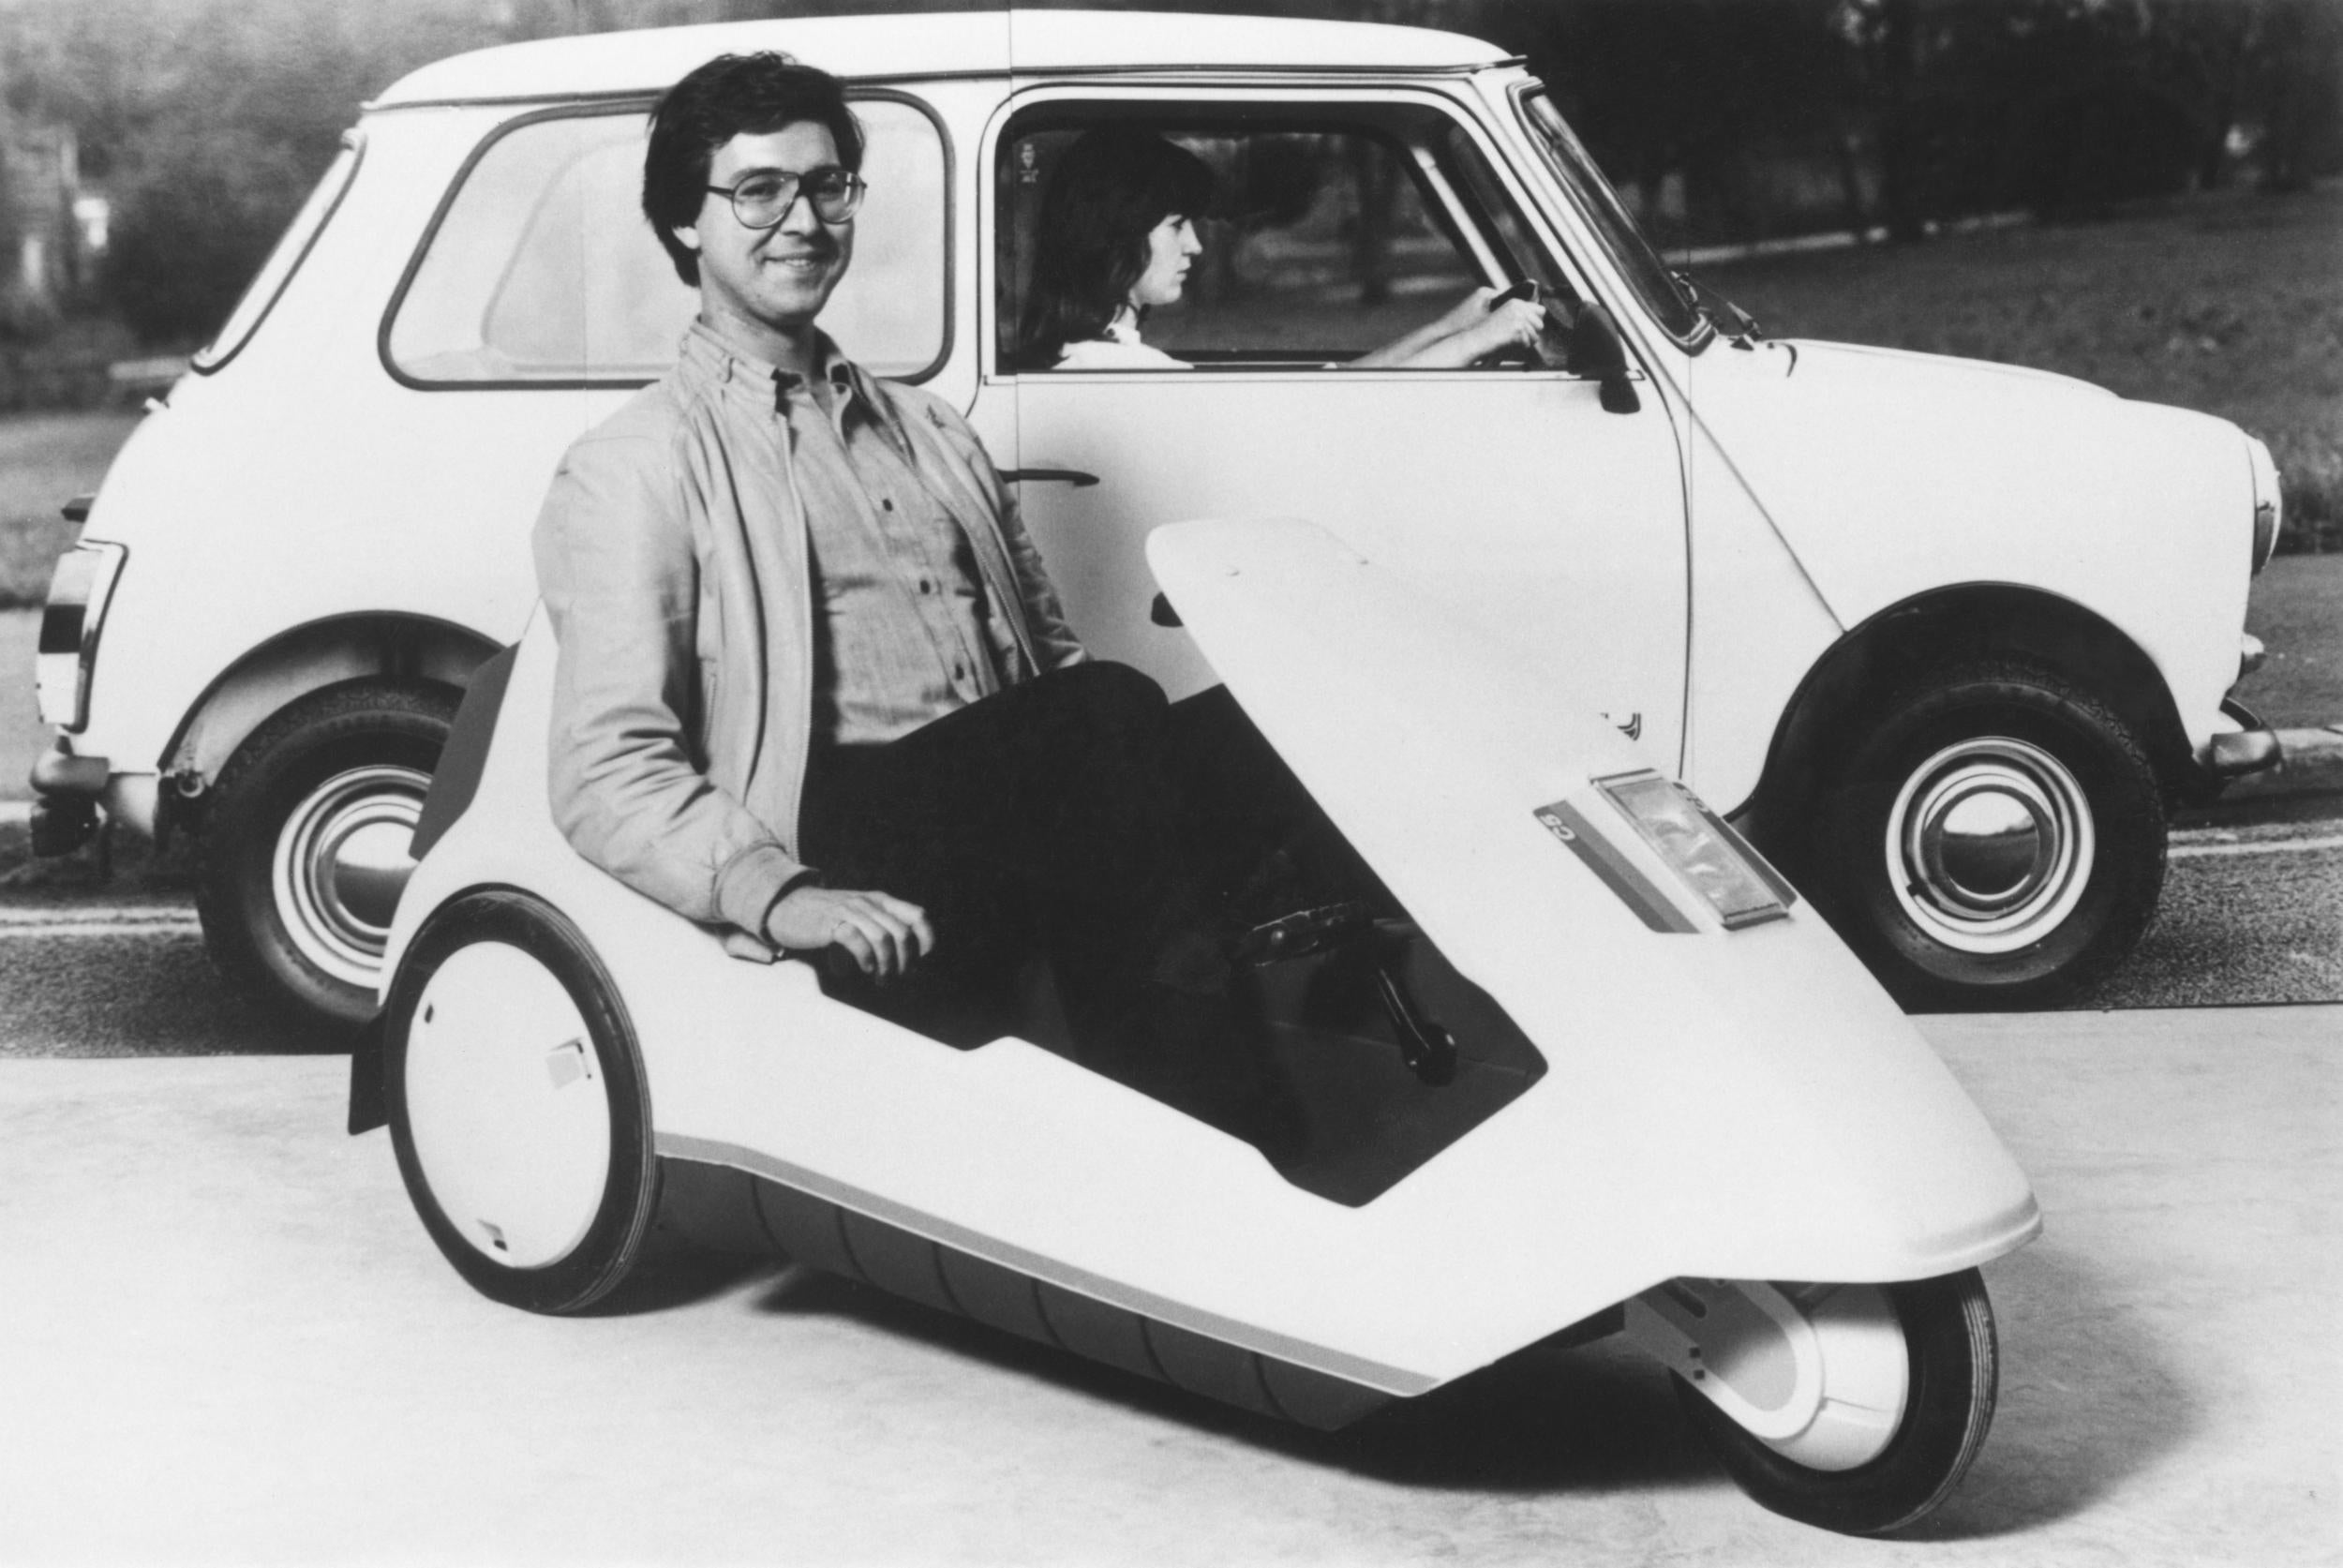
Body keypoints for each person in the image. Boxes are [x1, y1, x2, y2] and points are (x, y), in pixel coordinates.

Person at [531, 52, 1302, 1150]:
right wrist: (771, 889)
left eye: (827, 185)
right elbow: (605, 766)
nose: (801, 218)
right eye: (758, 190)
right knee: (1104, 720)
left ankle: (1402, 1129)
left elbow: (1051, 661)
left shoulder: (933, 430)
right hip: (843, 826)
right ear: (685, 225)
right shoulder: (635, 465)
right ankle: (1240, 1161)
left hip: (1014, 805)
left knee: (1280, 723)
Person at [1013, 127, 1548, 372]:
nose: (1195, 245)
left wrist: (1450, 328)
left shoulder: (1088, 355)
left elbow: (1325, 400)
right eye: (1177, 225)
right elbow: (1329, 423)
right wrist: (1475, 341)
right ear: (1117, 231)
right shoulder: (1124, 374)